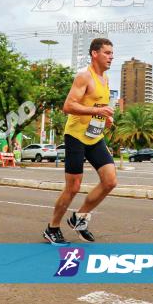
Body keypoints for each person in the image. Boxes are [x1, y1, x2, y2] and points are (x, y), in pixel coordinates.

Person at [44, 37, 116, 245]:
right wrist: (98, 110)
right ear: (95, 53)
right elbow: (68, 106)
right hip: (75, 137)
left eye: (112, 53)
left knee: (110, 181)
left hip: (94, 137)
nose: (111, 57)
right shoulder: (84, 76)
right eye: (107, 53)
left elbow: (97, 105)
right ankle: (53, 227)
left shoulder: (105, 79)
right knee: (73, 187)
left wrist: (106, 117)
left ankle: (79, 217)